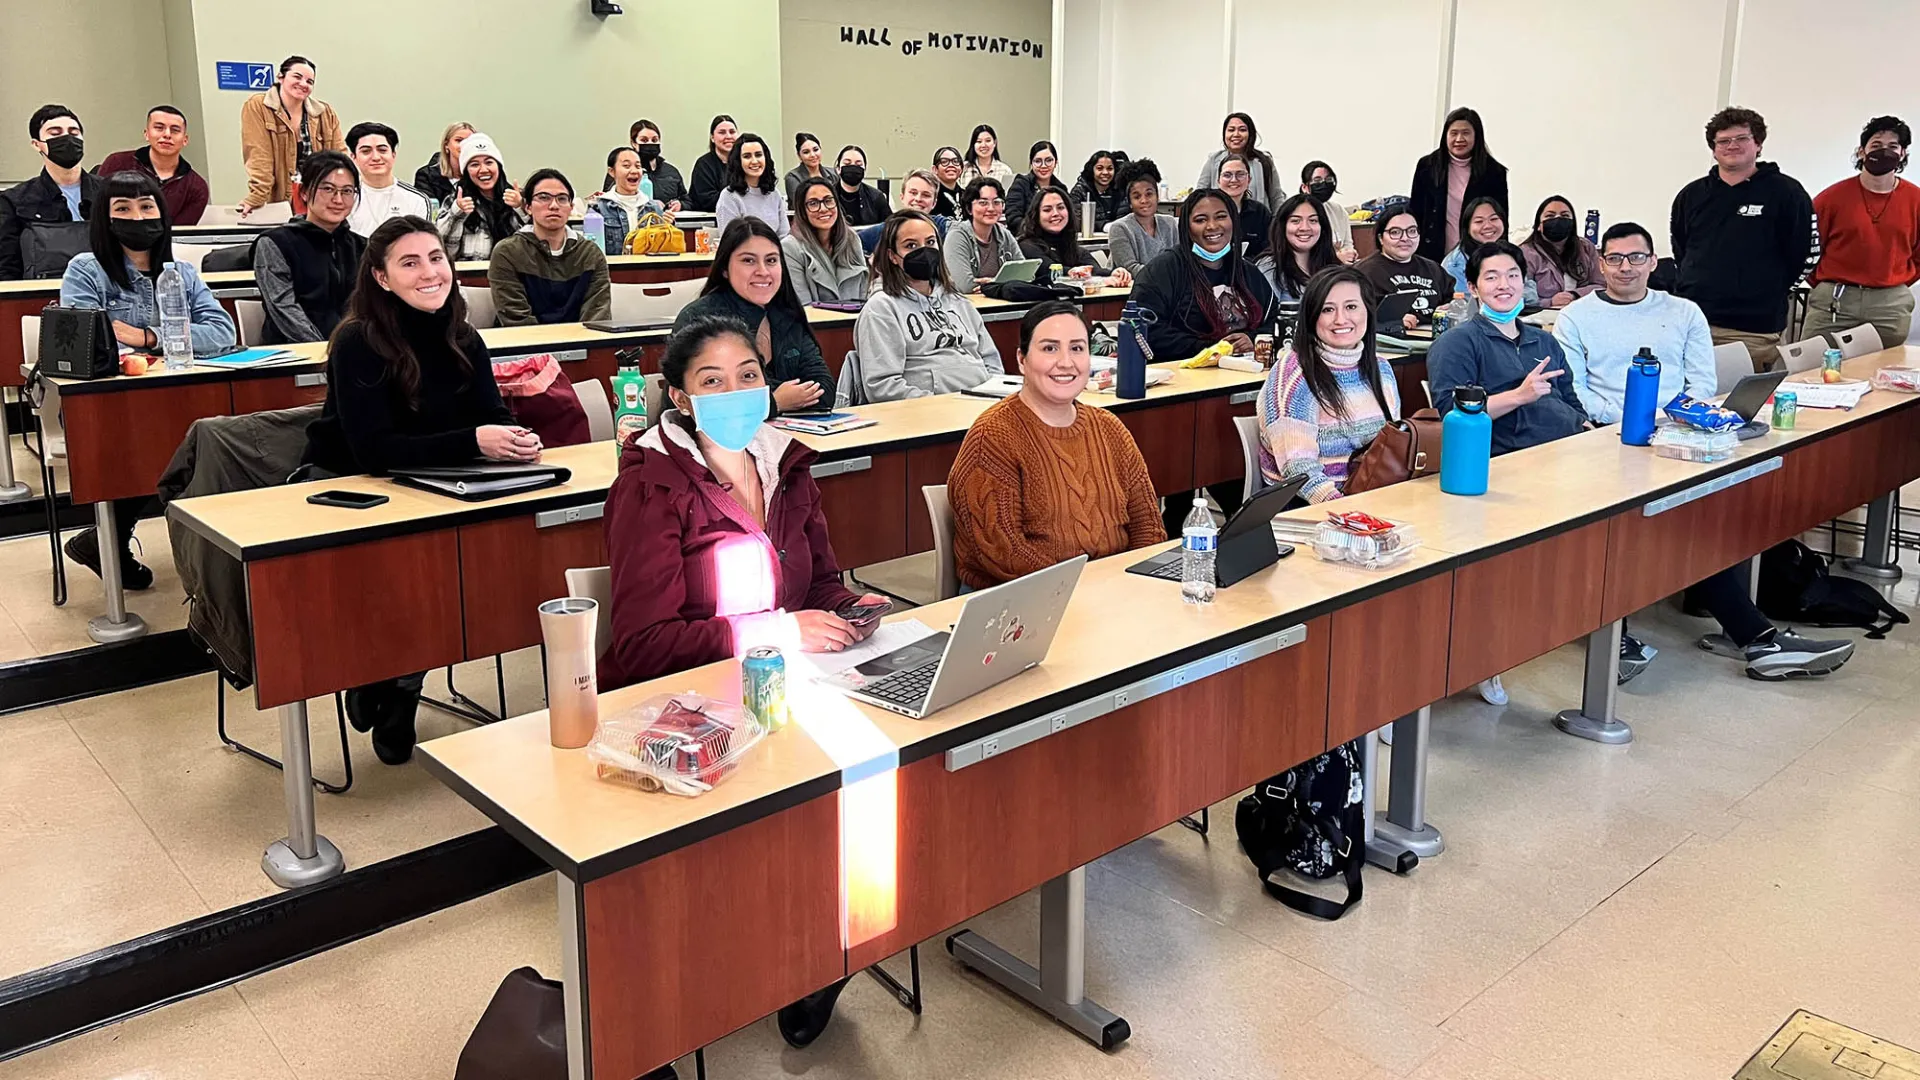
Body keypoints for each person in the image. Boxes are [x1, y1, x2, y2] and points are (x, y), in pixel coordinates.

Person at [1557, 223, 1852, 682]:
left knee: (1700, 523)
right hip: (1609, 441)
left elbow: (1701, 383)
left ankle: (1755, 637)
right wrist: (1633, 423)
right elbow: (1577, 391)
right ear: (1601, 263)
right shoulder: (1577, 317)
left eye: (1636, 257)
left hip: (1681, 437)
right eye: (1614, 258)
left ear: (1653, 262)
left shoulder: (1683, 312)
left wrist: (1674, 423)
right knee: (1655, 526)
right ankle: (1751, 639)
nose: (1625, 267)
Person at [304, 216, 541, 764]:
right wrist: (473, 441)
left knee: (452, 577)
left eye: (436, 258)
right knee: (417, 578)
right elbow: (373, 451)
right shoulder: (358, 341)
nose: (430, 272)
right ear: (382, 278)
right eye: (409, 263)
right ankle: (384, 679)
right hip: (352, 489)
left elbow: (490, 412)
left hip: (437, 482)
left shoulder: (463, 334)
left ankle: (395, 683)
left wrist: (513, 437)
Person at [600, 311, 878, 687]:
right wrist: (778, 632)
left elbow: (817, 584)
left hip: (780, 681)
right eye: (712, 381)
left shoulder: (786, 466)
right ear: (681, 399)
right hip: (682, 694)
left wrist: (847, 609)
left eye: (748, 376)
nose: (735, 392)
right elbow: (644, 646)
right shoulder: (650, 485)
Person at [1428, 238, 1589, 704]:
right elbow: (1450, 417)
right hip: (1501, 471)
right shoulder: (1458, 343)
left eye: (1513, 275)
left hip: (1562, 462)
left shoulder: (1544, 340)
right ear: (1474, 287)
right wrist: (1519, 396)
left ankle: (1599, 622)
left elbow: (1570, 401)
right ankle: (1483, 656)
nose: (1504, 285)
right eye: (1492, 277)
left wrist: (1586, 430)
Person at [60, 170, 236, 591]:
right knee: (161, 435)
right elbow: (89, 342)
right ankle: (111, 537)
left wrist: (148, 338)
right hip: (108, 402)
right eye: (123, 209)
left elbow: (222, 332)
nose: (137, 218)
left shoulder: (182, 273)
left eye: (146, 207)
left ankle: (111, 538)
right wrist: (164, 344)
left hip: (176, 395)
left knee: (208, 431)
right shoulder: (86, 270)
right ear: (105, 219)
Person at [948, 301, 1166, 589]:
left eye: (1077, 348)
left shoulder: (1110, 428)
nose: (1066, 362)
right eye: (1050, 348)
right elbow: (1005, 555)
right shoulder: (994, 437)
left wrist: (1136, 586)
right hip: (1026, 597)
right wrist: (1087, 590)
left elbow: (1148, 527)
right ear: (1021, 360)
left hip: (1113, 590)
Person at [1134, 189, 1277, 532]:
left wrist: (1253, 339)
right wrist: (1212, 348)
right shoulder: (1164, 270)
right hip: (1182, 401)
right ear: (1187, 226)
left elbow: (1273, 324)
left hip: (1242, 396)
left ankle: (1242, 535)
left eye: (1221, 217)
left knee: (1234, 483)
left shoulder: (1247, 272)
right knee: (1182, 489)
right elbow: (1144, 330)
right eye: (1200, 219)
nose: (1212, 227)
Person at [1671, 107, 1817, 372]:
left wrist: (1769, 289)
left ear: (1758, 144)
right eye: (1723, 141)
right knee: (1687, 393)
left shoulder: (1787, 193)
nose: (1732, 146)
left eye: (1741, 138)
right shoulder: (1691, 195)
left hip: (1753, 330)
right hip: (1693, 320)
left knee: (1741, 396)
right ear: (1713, 149)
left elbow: (1805, 253)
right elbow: (1682, 250)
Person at [1256, 265, 1400, 502]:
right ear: (1312, 316)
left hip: (1371, 495)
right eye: (1327, 309)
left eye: (1351, 307)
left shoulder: (1381, 368)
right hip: (1309, 504)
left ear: (1368, 310)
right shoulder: (1294, 374)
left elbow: (1389, 448)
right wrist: (1343, 509)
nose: (1340, 319)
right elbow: (1298, 469)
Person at [677, 217, 834, 411]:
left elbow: (825, 390)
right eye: (748, 260)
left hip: (788, 429)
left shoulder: (787, 314)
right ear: (725, 269)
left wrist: (773, 399)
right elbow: (707, 403)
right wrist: (775, 402)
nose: (763, 271)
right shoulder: (698, 319)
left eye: (771, 260)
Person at [856, 210, 1004, 401]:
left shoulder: (958, 301)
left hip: (982, 403)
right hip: (930, 409)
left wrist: (993, 396)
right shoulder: (881, 308)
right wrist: (939, 404)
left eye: (930, 242)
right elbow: (882, 386)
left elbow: (991, 361)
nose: (924, 251)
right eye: (911, 245)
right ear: (892, 256)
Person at [1804, 115, 1920, 349]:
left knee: (1885, 367)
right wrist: (1827, 283)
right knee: (1814, 362)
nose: (1884, 151)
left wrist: (1895, 281)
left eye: (1893, 146)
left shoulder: (1915, 200)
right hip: (1835, 300)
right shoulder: (1831, 198)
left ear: (1903, 154)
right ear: (1861, 151)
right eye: (1876, 145)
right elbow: (1808, 247)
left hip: (1890, 304)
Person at [254, 151, 366, 344]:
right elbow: (285, 310)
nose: (338, 200)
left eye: (347, 191)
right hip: (298, 352)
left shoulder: (363, 246)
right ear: (304, 192)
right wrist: (327, 349)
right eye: (328, 189)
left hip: (353, 350)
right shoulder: (275, 243)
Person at [487, 169, 611, 326]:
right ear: (528, 207)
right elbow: (516, 319)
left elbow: (597, 316)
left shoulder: (590, 253)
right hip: (524, 340)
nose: (554, 206)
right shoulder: (508, 252)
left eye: (562, 199)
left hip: (581, 339)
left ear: (571, 207)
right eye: (543, 197)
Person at [0, 104, 99, 281]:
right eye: (55, 133)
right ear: (36, 144)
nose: (67, 138)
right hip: (44, 292)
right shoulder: (14, 201)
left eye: (74, 132)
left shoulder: (110, 191)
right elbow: (7, 266)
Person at [237, 55, 345, 215]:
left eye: (309, 81)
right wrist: (257, 196)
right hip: (281, 199)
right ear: (280, 77)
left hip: (318, 198)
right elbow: (259, 155)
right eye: (297, 77)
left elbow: (340, 156)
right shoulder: (258, 106)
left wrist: (343, 193)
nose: (303, 84)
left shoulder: (324, 113)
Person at [1407, 107, 1509, 263]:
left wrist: (1502, 256)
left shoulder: (1494, 172)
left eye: (1466, 133)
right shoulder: (1427, 166)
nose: (1459, 139)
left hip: (1476, 252)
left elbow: (1501, 219)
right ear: (1445, 136)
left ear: (1477, 136)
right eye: (1454, 133)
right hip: (1431, 250)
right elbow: (1416, 211)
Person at [98, 105, 209, 226]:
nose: (167, 135)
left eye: (175, 130)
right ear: (146, 134)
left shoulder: (197, 187)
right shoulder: (117, 163)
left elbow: (178, 233)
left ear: (185, 140)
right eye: (159, 128)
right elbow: (98, 212)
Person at [1355, 201, 1448, 329]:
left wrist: (1451, 308)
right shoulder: (1363, 273)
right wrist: (1388, 322)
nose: (1405, 238)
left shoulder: (1433, 268)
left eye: (1412, 231)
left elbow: (1455, 299)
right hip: (1389, 338)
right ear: (1381, 238)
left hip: (1436, 335)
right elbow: (1356, 315)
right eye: (1395, 232)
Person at [438, 133, 525, 261]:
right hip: (471, 272)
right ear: (466, 172)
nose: (483, 170)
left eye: (489, 162)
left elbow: (536, 247)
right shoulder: (455, 201)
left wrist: (521, 208)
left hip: (512, 272)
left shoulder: (516, 198)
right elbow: (444, 253)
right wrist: (456, 213)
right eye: (474, 164)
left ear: (499, 167)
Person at [1017, 189, 1132, 286]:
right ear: (1036, 215)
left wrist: (1113, 273)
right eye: (1047, 210)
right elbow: (1048, 270)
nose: (1055, 213)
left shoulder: (1073, 247)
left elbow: (1093, 269)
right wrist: (1073, 271)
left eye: (1061, 207)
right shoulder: (1026, 246)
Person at [782, 177, 868, 304]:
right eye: (813, 203)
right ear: (802, 211)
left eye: (828, 201)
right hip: (813, 317)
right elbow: (802, 305)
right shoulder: (790, 248)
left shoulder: (852, 239)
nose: (823, 208)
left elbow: (865, 293)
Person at [1441, 197, 1537, 306]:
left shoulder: (1509, 253)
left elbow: (1531, 295)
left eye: (1494, 219)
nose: (1488, 226)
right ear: (1467, 227)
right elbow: (1464, 304)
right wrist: (1510, 296)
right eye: (1479, 221)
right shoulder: (1454, 264)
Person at [344, 122, 430, 238]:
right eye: (366, 151)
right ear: (353, 157)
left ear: (393, 155)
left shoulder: (417, 200)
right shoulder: (344, 197)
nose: (376, 157)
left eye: (382, 150)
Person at [1254, 194, 1341, 303]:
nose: (1305, 228)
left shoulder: (1333, 266)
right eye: (1296, 221)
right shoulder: (1269, 267)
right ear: (1283, 226)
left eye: (1313, 220)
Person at [1521, 195, 1604, 308]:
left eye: (1565, 215)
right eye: (1550, 216)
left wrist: (1575, 295)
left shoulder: (1586, 247)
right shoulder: (1526, 253)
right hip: (1542, 315)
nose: (1558, 219)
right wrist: (1549, 302)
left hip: (1583, 310)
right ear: (1538, 225)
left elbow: (1601, 285)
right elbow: (1521, 297)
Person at [942, 177, 1022, 293]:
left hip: (1001, 301)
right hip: (966, 302)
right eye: (983, 203)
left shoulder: (1004, 234)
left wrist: (991, 284)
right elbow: (964, 286)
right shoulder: (957, 236)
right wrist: (1004, 283)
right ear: (969, 208)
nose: (991, 208)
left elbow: (1024, 274)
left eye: (996, 202)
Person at [1197, 113, 1285, 208]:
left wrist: (1279, 217)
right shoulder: (1213, 160)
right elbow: (1199, 195)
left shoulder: (1264, 161)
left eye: (1242, 130)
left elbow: (1276, 197)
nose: (1236, 134)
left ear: (1250, 134)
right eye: (1231, 130)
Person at [588, 146, 666, 253]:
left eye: (638, 166)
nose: (634, 171)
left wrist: (668, 224)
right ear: (612, 171)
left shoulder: (653, 207)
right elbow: (592, 250)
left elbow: (662, 249)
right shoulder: (599, 208)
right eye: (626, 166)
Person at [1107, 158, 1178, 274]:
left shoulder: (1170, 224)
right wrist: (1169, 275)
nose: (1144, 200)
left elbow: (1179, 260)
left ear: (1157, 197)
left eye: (1149, 194)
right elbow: (1131, 269)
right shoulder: (1120, 228)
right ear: (1130, 202)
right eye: (1137, 196)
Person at [855, 169, 950, 254]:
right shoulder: (882, 232)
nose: (918, 199)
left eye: (926, 195)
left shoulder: (942, 227)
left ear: (934, 203)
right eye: (913, 193)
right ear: (902, 197)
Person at [714, 133, 789, 238]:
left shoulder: (774, 194)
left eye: (758, 155)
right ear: (738, 161)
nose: (754, 161)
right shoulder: (729, 197)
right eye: (747, 156)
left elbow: (784, 235)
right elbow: (730, 241)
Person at [1215, 154, 1271, 261]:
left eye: (1240, 174)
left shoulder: (1260, 212)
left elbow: (1268, 250)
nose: (1234, 180)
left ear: (1249, 180)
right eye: (1227, 175)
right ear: (1218, 181)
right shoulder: (1208, 211)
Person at [1004, 140, 1069, 226]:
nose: (1043, 166)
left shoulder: (1061, 188)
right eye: (1038, 161)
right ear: (1031, 163)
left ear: (1056, 162)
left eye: (1049, 160)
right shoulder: (1020, 184)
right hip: (1027, 233)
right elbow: (1013, 218)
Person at [630, 119, 686, 211]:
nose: (650, 143)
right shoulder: (625, 171)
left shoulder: (671, 171)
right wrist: (650, 204)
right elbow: (612, 200)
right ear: (634, 143)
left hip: (668, 218)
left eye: (654, 140)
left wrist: (681, 205)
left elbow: (686, 199)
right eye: (644, 140)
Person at [1298, 160, 1354, 252]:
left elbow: (1348, 244)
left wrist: (1349, 254)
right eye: (1317, 180)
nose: (1324, 184)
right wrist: (1336, 257)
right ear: (1304, 187)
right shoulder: (1298, 213)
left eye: (1329, 179)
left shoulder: (1338, 210)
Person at [686, 115, 738, 213]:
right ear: (712, 138)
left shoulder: (743, 163)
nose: (728, 136)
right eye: (722, 132)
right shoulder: (703, 165)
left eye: (732, 132)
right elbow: (708, 201)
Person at [412, 122, 472, 206]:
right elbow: (427, 210)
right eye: (459, 140)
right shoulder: (426, 176)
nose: (464, 145)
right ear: (446, 145)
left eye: (469, 141)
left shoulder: (478, 175)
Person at [831, 145, 891, 227]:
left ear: (864, 170)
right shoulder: (828, 195)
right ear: (838, 168)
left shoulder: (876, 197)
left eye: (858, 165)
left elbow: (889, 226)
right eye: (847, 164)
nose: (853, 167)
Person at [1067, 149, 1125, 232]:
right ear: (1092, 170)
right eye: (1100, 168)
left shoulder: (1121, 190)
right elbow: (1076, 222)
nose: (1105, 172)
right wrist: (1103, 226)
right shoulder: (1079, 191)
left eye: (1110, 168)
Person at [959, 124, 1015, 189]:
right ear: (973, 144)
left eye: (988, 141)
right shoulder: (963, 168)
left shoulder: (1005, 170)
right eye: (979, 141)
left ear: (995, 143)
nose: (983, 145)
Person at [783, 132, 829, 204]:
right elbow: (800, 204)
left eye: (816, 150)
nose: (812, 155)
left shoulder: (833, 174)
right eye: (806, 152)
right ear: (799, 156)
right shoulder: (792, 177)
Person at [932, 146, 967, 215]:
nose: (951, 165)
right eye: (944, 162)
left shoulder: (968, 196)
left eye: (955, 161)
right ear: (935, 169)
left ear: (961, 169)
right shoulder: (931, 195)